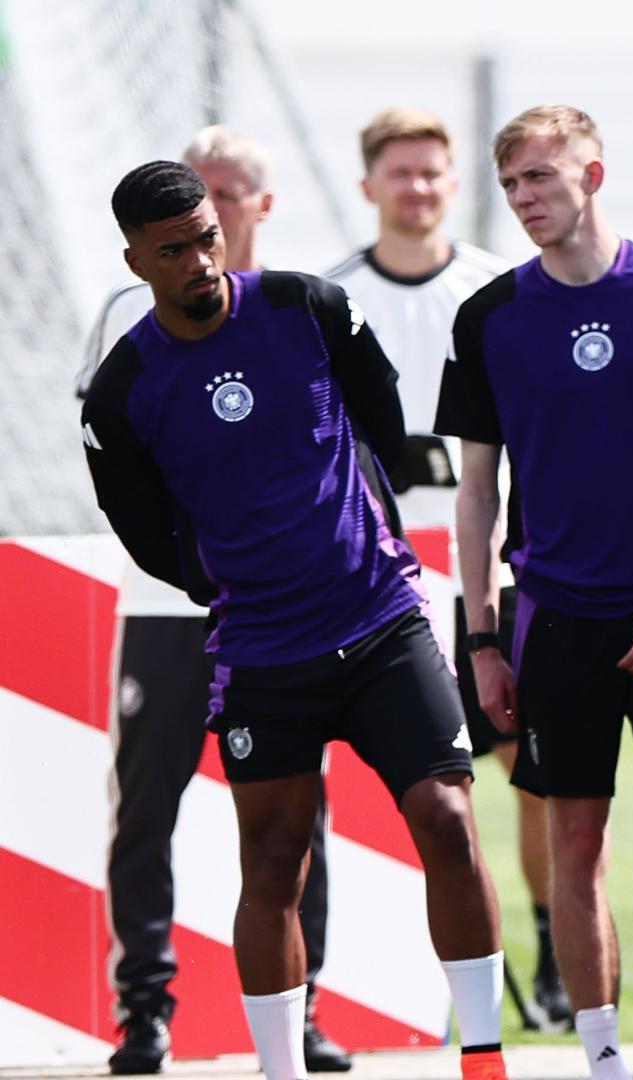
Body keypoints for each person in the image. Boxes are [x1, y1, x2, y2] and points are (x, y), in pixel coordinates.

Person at [82, 161, 510, 1080]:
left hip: (382, 618)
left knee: (447, 818)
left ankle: (485, 1058)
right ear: (136, 261)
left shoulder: (305, 306)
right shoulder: (125, 389)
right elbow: (142, 529)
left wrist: (358, 527)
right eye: (174, 251)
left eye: (207, 237)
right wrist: (227, 579)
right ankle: (280, 1071)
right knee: (274, 860)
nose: (201, 261)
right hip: (262, 651)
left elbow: (383, 424)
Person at [434, 106, 633, 1080]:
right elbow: (476, 494)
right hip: (553, 617)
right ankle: (601, 1059)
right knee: (575, 835)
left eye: (540, 177)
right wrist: (483, 639)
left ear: (593, 175)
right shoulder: (490, 316)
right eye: (510, 183)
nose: (523, 198)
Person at [76, 127, 349, 1077]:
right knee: (146, 805)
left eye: (227, 196)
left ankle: (302, 1011)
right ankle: (144, 1012)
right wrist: (196, 564)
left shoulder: (295, 305)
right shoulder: (125, 313)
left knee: (297, 812)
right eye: (200, 193)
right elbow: (116, 466)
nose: (209, 214)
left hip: (290, 611)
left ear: (257, 207)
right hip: (169, 607)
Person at [320, 106, 570, 1032]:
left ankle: (550, 957)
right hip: (379, 583)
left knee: (532, 770)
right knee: (417, 785)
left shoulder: (495, 288)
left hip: (492, 572)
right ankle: (383, 982)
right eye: (400, 172)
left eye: (431, 171)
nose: (417, 188)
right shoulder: (332, 296)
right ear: (368, 185)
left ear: (453, 182)